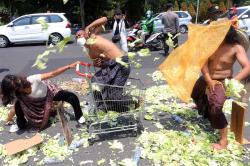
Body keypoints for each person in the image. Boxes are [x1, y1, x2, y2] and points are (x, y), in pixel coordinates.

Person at [191, 26, 250, 150]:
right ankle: (204, 107)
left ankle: (224, 141)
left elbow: (247, 67)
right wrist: (208, 80)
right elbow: (203, 64)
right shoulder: (210, 45)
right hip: (207, 78)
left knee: (216, 108)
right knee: (195, 94)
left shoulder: (236, 47)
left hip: (222, 82)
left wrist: (233, 81)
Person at [1, 62, 85, 132]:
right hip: (33, 102)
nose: (20, 85)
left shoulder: (32, 79)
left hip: (48, 94)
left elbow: (52, 74)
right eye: (16, 87)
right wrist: (8, 119)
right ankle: (21, 125)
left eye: (18, 82)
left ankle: (79, 116)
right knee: (18, 107)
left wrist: (69, 66)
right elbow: (14, 108)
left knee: (71, 97)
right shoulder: (18, 92)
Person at [76, 17, 139, 112]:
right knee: (95, 81)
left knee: (114, 96)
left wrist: (89, 26)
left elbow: (104, 19)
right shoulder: (91, 52)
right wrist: (96, 63)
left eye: (79, 34)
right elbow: (99, 63)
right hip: (111, 67)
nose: (78, 36)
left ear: (85, 34)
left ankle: (134, 100)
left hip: (121, 63)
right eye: (77, 36)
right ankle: (103, 105)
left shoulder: (93, 35)